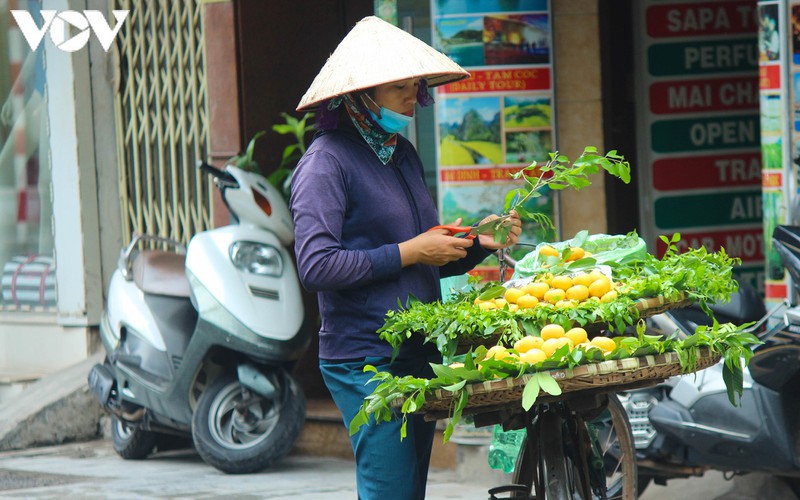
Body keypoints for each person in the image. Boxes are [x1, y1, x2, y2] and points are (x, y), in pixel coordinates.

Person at [289, 16, 522, 499]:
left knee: (408, 489)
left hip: (416, 350)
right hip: (364, 359)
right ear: (358, 96)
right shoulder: (325, 163)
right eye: (397, 88)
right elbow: (316, 266)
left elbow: (425, 252)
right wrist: (409, 250)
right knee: (390, 488)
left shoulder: (402, 154)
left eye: (413, 86)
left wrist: (477, 245)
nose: (409, 98)